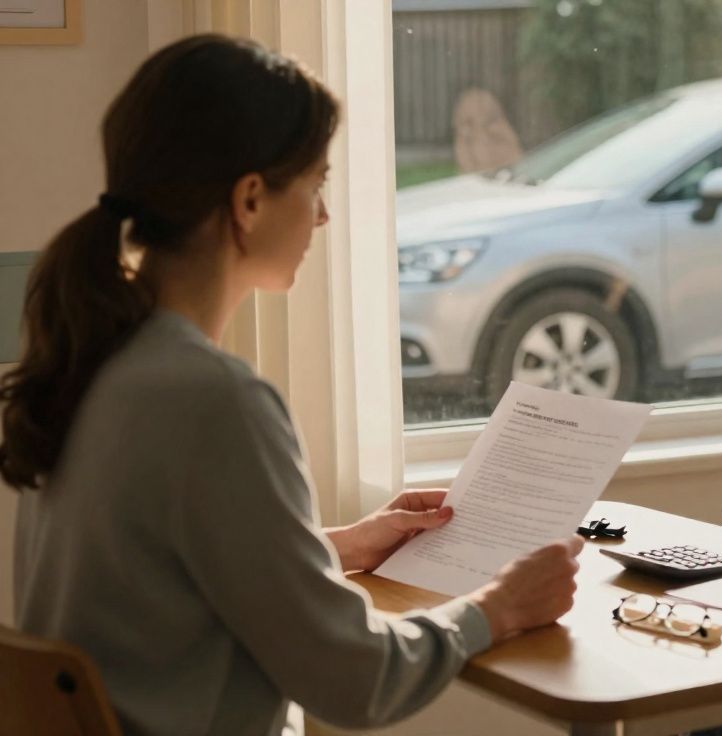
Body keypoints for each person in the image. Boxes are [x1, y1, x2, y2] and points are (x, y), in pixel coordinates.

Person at [0, 34, 582, 735]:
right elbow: (358, 682)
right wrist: (500, 608)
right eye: (316, 185)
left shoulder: (89, 362)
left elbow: (157, 581)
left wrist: (336, 546)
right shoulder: (213, 401)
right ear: (249, 199)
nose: (323, 216)